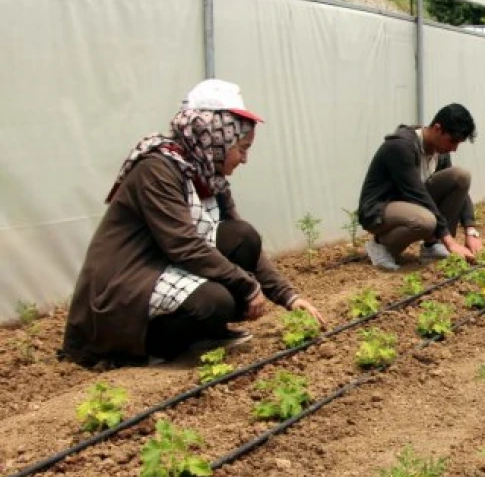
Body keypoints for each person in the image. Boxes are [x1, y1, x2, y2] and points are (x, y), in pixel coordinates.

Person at [60, 79, 327, 368]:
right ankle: (149, 347)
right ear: (216, 138)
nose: (244, 159)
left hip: (164, 266)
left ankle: (203, 332)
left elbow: (239, 237)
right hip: (127, 283)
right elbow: (184, 245)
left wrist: (289, 296)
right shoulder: (157, 170)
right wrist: (247, 286)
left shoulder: (208, 175)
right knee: (215, 302)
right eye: (242, 148)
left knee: (242, 238)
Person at [357, 103, 482, 271]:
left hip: (411, 204)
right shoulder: (401, 147)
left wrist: (470, 230)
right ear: (438, 129)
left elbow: (459, 188)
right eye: (452, 141)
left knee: (460, 176)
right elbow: (416, 194)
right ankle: (380, 246)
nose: (454, 149)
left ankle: (432, 246)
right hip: (380, 209)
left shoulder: (440, 152)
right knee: (425, 221)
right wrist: (450, 242)